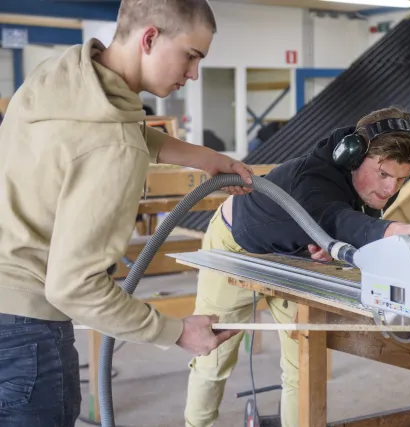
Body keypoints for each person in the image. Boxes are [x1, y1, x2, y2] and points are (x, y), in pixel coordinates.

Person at [0, 1, 253, 425]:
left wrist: (204, 157)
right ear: (149, 38)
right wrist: (175, 331)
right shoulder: (115, 148)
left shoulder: (57, 79)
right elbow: (74, 288)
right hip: (29, 333)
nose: (193, 74)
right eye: (191, 56)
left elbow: (114, 129)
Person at [184, 106, 410, 427]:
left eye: (401, 179)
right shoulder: (314, 177)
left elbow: (344, 225)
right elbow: (332, 215)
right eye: (384, 175)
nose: (391, 190)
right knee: (214, 355)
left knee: (302, 367)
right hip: (236, 245)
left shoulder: (367, 185)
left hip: (291, 257)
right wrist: (393, 230)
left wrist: (326, 250)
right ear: (352, 157)